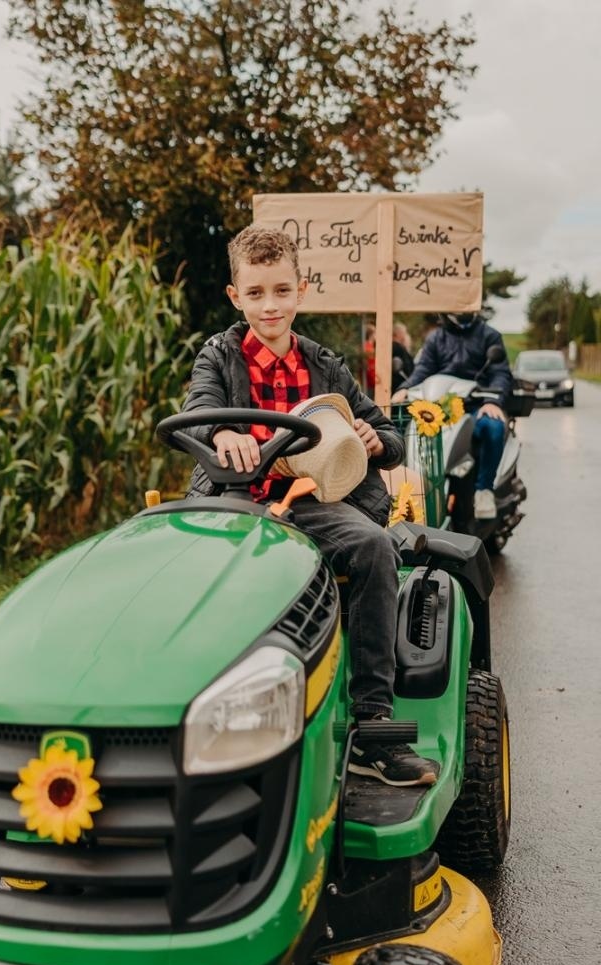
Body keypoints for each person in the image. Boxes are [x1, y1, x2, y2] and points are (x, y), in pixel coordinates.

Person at [182, 224, 439, 788]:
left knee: (373, 545)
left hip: (313, 501)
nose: (269, 305)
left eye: (280, 290)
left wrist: (376, 440)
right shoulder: (219, 357)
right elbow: (201, 405)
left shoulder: (326, 366)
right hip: (237, 499)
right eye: (255, 293)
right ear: (235, 297)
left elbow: (385, 435)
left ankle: (372, 721)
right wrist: (223, 430)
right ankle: (193, 713)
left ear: (302, 290)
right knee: (178, 560)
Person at [393, 312, 514, 519]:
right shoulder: (435, 338)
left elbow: (500, 373)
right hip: (440, 408)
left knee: (493, 427)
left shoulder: (489, 336)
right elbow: (423, 369)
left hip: (477, 404)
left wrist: (493, 401)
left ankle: (484, 490)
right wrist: (405, 387)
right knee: (401, 428)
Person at [391, 322, 415, 393]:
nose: (405, 335)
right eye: (404, 332)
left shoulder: (398, 347)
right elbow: (406, 367)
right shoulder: (396, 347)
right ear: (399, 333)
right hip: (399, 386)